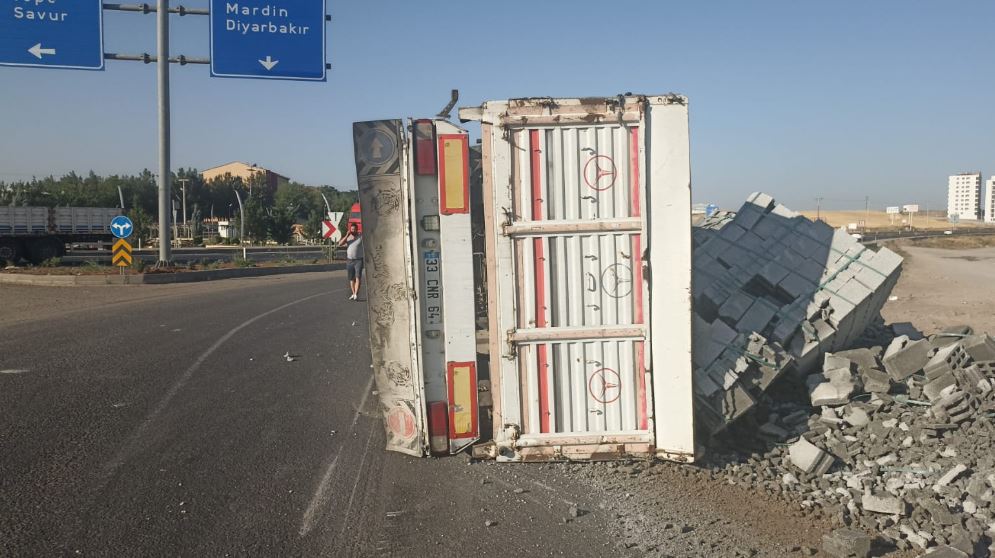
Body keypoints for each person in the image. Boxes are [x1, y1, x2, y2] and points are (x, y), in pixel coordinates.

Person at [338, 223, 364, 300]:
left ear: (357, 229)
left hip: (358, 260)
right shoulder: (348, 238)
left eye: (354, 229)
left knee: (358, 277)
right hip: (349, 260)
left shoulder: (361, 237)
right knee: (351, 278)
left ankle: (356, 293)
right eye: (352, 229)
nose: (353, 231)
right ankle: (353, 293)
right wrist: (347, 235)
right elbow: (340, 244)